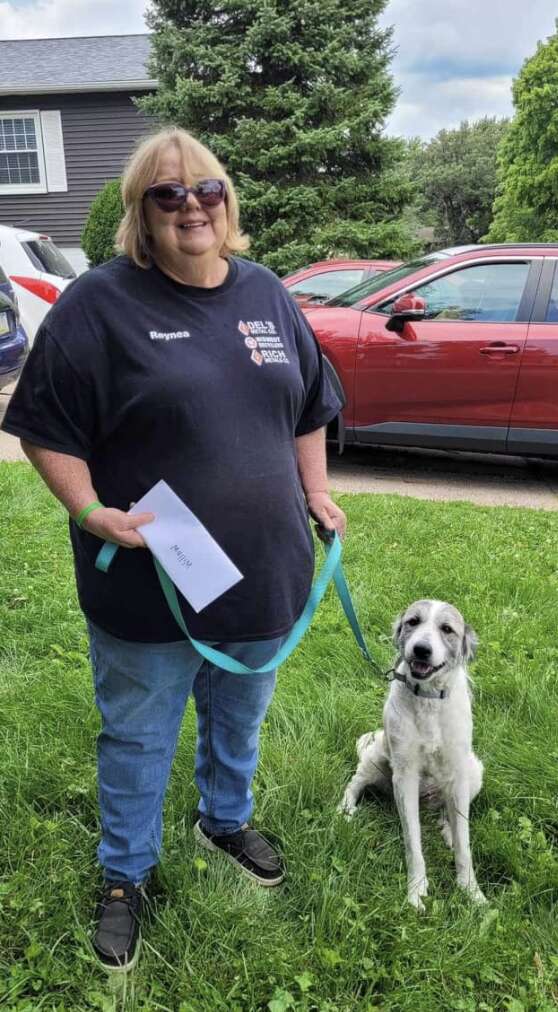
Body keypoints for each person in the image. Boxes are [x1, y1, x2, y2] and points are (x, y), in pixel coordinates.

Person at [1, 127, 346, 972]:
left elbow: (307, 406)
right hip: (150, 582)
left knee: (240, 714)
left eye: (208, 189)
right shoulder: (100, 304)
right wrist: (90, 513)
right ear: (139, 213)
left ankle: (224, 819)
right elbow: (44, 428)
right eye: (168, 193)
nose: (192, 204)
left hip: (264, 573)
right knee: (139, 735)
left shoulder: (266, 293)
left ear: (228, 202)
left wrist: (317, 491)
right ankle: (124, 875)